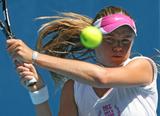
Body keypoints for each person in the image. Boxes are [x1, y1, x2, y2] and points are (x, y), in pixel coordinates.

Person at [7, 6, 158, 116]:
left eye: (125, 40)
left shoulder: (143, 67)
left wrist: (34, 56)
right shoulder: (73, 88)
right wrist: (38, 91)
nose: (118, 46)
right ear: (94, 41)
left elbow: (102, 77)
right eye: (110, 39)